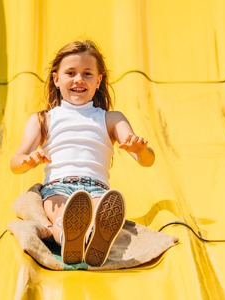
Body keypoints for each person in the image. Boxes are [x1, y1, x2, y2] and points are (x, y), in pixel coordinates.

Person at [10, 40, 155, 267]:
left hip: (97, 188)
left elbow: (146, 160)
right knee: (60, 217)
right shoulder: (43, 119)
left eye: (87, 74)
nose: (79, 79)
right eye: (71, 73)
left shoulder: (111, 119)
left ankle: (94, 238)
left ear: (98, 81)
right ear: (56, 79)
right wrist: (28, 160)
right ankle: (70, 241)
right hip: (57, 187)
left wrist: (140, 149)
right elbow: (15, 161)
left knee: (101, 212)